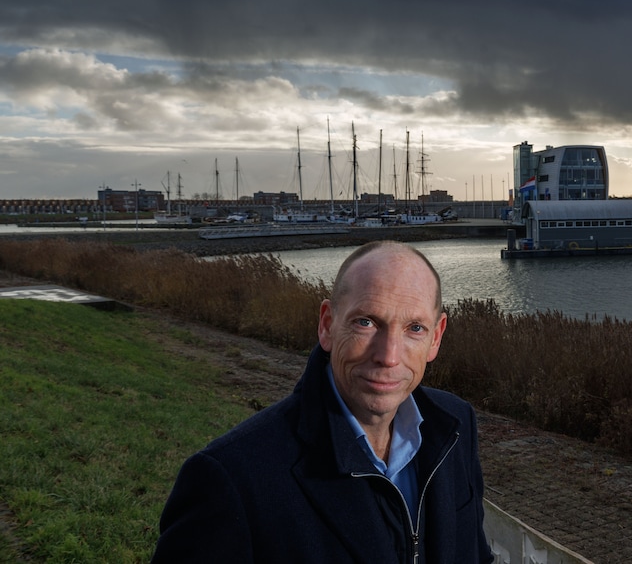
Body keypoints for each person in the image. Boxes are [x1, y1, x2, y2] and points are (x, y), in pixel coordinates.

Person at [153, 241, 492, 563]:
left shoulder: (456, 424)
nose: (389, 357)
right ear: (327, 325)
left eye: (414, 328)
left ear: (436, 337)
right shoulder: (231, 478)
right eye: (366, 322)